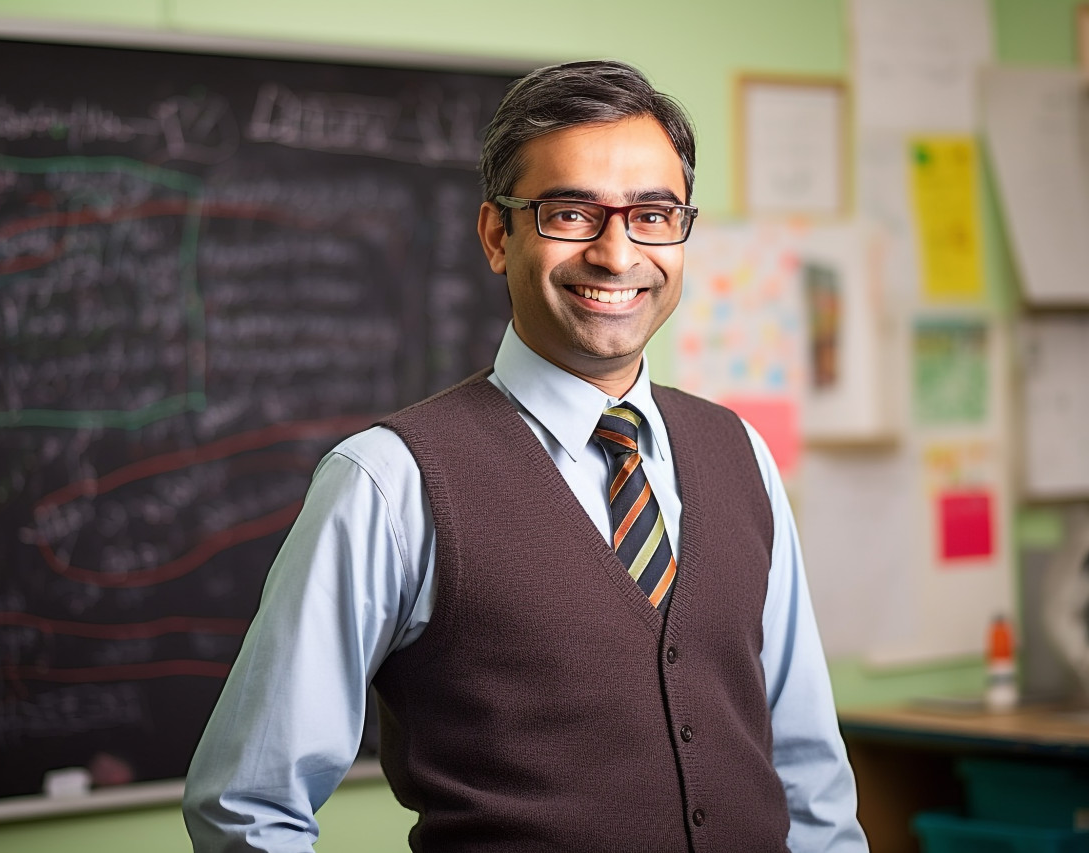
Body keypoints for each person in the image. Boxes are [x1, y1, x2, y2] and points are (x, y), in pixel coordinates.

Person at [183, 59, 867, 853]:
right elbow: (247, 803)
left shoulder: (739, 453)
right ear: (497, 235)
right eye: (571, 212)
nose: (617, 255)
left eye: (653, 214)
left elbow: (811, 778)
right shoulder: (389, 482)